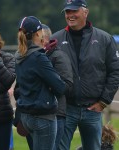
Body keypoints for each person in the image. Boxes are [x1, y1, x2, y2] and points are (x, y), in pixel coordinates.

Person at [51, 0, 119, 150]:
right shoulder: (55, 40)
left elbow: (115, 72)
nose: (70, 15)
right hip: (65, 109)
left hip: (93, 110)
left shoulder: (104, 39)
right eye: (67, 12)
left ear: (85, 12)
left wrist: (103, 101)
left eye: (74, 11)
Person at [14, 16, 70, 150]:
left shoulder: (19, 55)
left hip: (26, 115)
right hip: (43, 117)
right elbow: (60, 87)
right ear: (38, 33)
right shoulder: (39, 57)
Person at [42, 24, 73, 150]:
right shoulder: (32, 55)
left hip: (56, 113)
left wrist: (45, 89)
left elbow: (67, 84)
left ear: (45, 39)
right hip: (36, 113)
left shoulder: (59, 56)